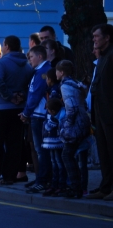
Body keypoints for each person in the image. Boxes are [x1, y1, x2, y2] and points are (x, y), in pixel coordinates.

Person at [0, 35, 33, 186]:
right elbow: (30, 84)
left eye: (3, 45)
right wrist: (20, 96)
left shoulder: (1, 62)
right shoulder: (27, 65)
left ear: (7, 46)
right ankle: (9, 176)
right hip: (18, 108)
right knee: (14, 144)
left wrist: (9, 96)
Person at [56, 60, 91, 199]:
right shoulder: (75, 83)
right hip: (83, 121)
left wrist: (67, 125)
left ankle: (75, 188)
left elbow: (71, 108)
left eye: (57, 70)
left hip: (76, 124)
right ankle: (79, 187)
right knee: (76, 155)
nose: (55, 73)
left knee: (67, 155)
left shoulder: (65, 86)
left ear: (61, 72)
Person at [20, 44, 51, 194]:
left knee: (42, 150)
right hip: (36, 115)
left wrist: (26, 113)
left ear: (40, 56)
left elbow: (36, 94)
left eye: (31, 56)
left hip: (40, 116)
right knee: (40, 150)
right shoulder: (39, 71)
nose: (29, 59)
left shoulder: (43, 72)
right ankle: (41, 178)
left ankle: (43, 180)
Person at [87, 24, 113, 200]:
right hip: (101, 113)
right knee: (104, 153)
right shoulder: (103, 56)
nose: (94, 40)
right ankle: (105, 187)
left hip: (110, 113)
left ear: (107, 38)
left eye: (97, 36)